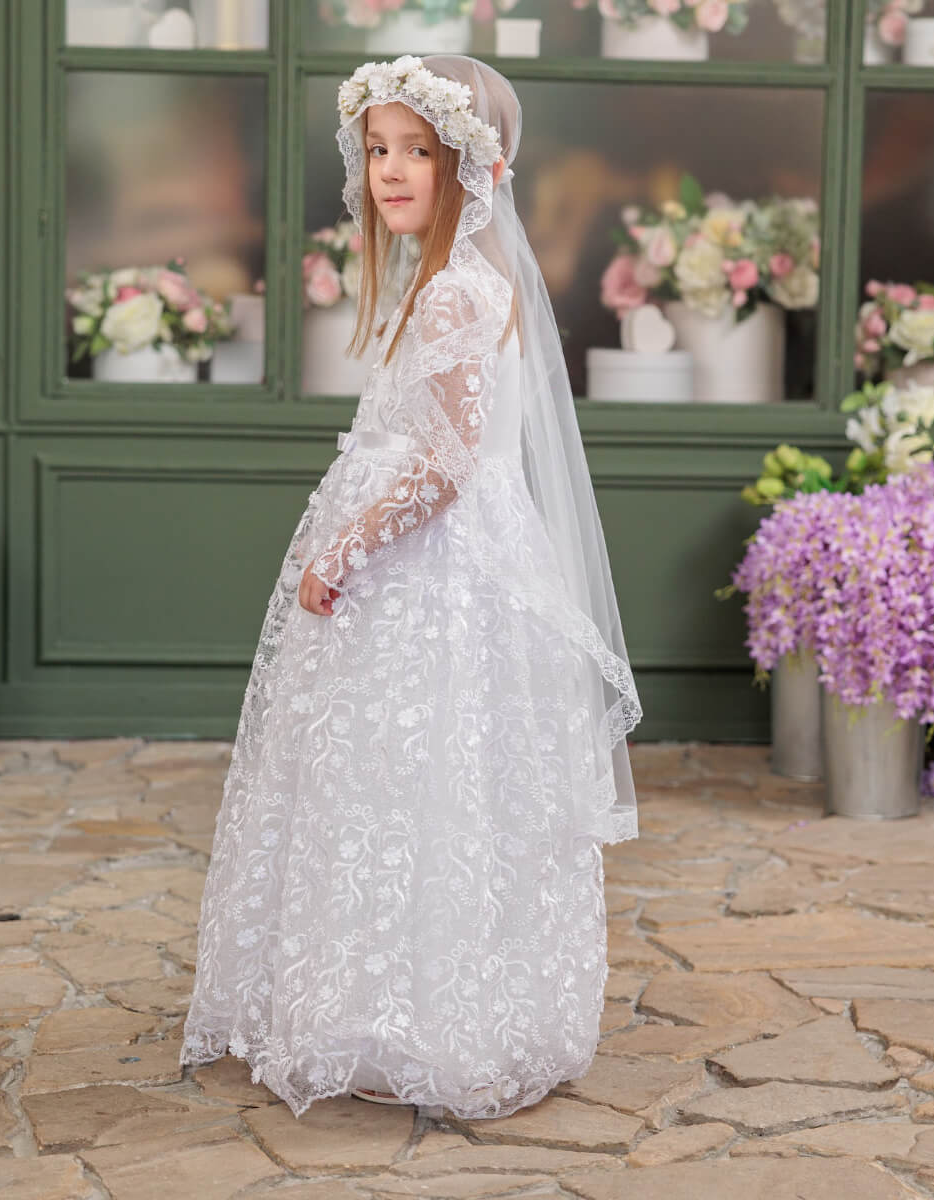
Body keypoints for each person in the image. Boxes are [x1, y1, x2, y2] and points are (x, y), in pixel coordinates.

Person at [179, 54, 641, 1121]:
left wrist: (344, 551)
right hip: (421, 556)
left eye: (415, 153)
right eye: (378, 150)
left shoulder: (460, 293)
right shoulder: (442, 283)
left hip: (430, 567)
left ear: (470, 167)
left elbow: (446, 462)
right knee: (394, 786)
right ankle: (389, 1000)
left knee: (421, 776)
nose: (390, 171)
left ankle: (436, 1013)